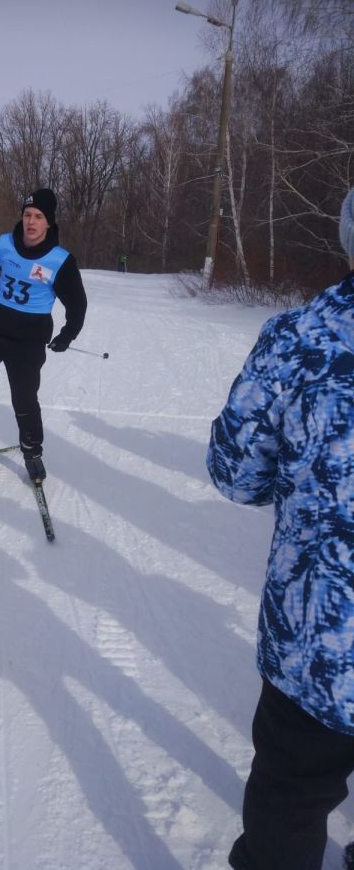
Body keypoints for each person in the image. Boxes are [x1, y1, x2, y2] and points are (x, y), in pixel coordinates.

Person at [207, 186, 354, 870]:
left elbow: (235, 470)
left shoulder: (299, 340)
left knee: (289, 805)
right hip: (319, 645)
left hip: (318, 649)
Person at [0, 188, 87, 481]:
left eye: (38, 217)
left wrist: (67, 334)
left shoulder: (60, 261)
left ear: (49, 222)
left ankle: (32, 452)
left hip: (28, 341)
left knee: (23, 399)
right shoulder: (4, 244)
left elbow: (77, 303)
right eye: (27, 215)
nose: (31, 222)